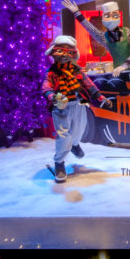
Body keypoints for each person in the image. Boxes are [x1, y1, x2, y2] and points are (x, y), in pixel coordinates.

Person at [41, 35, 112, 183]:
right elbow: (46, 86)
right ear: (54, 52)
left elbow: (88, 85)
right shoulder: (51, 72)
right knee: (63, 135)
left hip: (79, 103)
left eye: (68, 52)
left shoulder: (76, 71)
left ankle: (74, 144)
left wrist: (101, 98)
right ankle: (59, 163)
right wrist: (52, 96)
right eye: (60, 51)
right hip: (61, 107)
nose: (64, 55)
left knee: (79, 129)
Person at [61, 0, 130, 77]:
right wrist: (77, 13)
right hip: (118, 73)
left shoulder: (127, 32)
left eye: (114, 16)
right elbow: (90, 28)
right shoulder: (103, 37)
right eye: (107, 16)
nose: (111, 19)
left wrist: (125, 65)